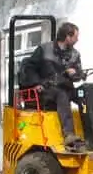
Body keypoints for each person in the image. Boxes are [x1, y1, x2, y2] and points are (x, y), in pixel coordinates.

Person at [27, 22, 86, 152]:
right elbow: (29, 68)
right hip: (46, 90)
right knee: (61, 94)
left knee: (86, 93)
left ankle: (91, 133)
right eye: (76, 37)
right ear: (68, 37)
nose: (77, 40)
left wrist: (76, 74)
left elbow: (79, 74)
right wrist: (36, 83)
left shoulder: (75, 55)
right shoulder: (44, 50)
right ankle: (69, 135)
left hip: (66, 88)